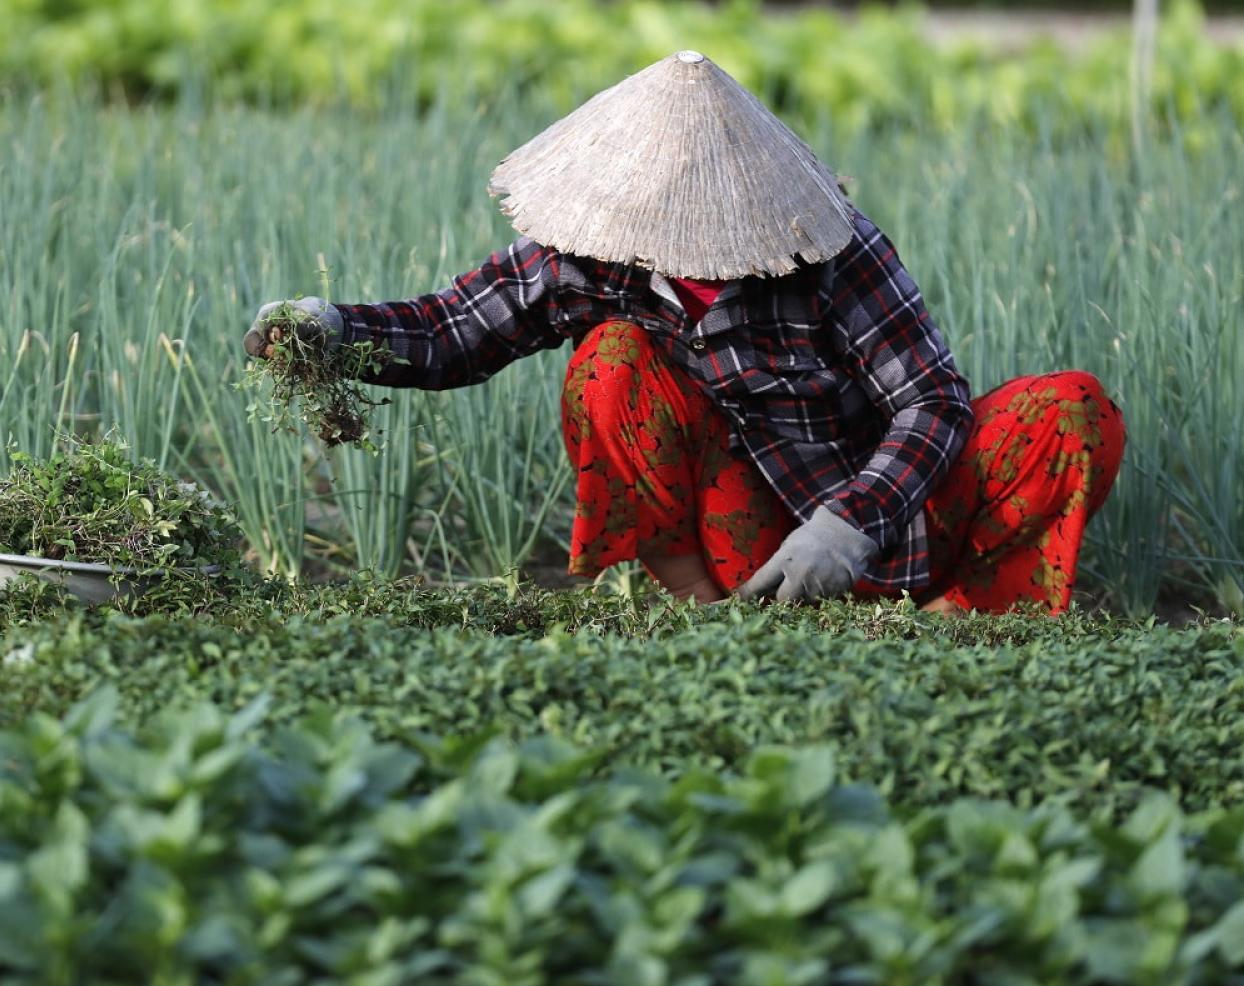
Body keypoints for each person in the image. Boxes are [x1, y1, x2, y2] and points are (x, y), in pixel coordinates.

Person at [245, 51, 1125, 615]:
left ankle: (954, 624)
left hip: (897, 517)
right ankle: (710, 619)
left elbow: (930, 402)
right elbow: (450, 332)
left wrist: (848, 523)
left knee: (1072, 408)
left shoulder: (826, 245)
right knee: (611, 362)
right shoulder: (590, 254)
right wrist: (328, 328)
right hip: (748, 543)